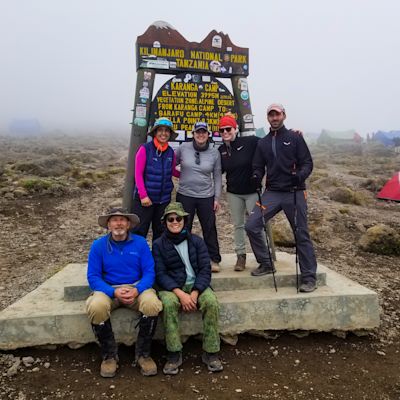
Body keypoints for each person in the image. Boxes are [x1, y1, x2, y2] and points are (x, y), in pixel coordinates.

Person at [245, 104, 318, 292]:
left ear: (283, 115)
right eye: (271, 115)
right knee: (252, 224)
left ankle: (309, 277)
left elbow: (307, 163)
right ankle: (266, 263)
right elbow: (258, 165)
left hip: (295, 192)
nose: (274, 118)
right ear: (267, 118)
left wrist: (299, 176)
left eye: (277, 114)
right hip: (272, 193)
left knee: (301, 233)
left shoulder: (295, 138)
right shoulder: (263, 142)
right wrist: (255, 176)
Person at [86, 207, 163, 378]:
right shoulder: (98, 246)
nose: (118, 223)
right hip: (109, 288)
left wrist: (138, 289)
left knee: (152, 304)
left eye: (122, 220)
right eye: (114, 219)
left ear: (128, 224)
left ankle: (143, 354)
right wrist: (113, 292)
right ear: (108, 224)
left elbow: (150, 271)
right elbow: (93, 277)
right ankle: (109, 356)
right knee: (96, 306)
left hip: (136, 287)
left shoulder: (140, 243)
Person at [152, 202, 223, 375]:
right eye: (171, 219)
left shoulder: (197, 242)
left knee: (211, 302)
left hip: (195, 285)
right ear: (165, 222)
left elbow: (205, 269)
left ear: (185, 220)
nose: (175, 222)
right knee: (168, 305)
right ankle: (174, 353)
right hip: (172, 287)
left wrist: (195, 292)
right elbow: (160, 274)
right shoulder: (158, 245)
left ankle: (211, 352)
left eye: (179, 218)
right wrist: (180, 294)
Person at [218, 113, 266, 271]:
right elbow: (217, 170)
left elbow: (269, 143)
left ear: (235, 129)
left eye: (228, 129)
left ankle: (265, 257)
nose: (225, 132)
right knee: (238, 225)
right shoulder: (221, 150)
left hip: (253, 191)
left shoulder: (250, 141)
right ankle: (241, 256)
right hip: (234, 193)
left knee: (257, 224)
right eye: (221, 130)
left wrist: (293, 134)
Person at [175, 121, 222, 272]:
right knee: (183, 227)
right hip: (185, 194)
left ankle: (214, 259)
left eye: (204, 132)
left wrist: (217, 198)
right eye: (198, 132)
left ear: (208, 134)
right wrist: (179, 175)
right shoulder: (182, 148)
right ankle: (184, 259)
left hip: (206, 195)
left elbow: (217, 176)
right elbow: (170, 164)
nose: (201, 135)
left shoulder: (215, 152)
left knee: (209, 227)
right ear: (193, 134)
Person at [132, 117, 178, 241]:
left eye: (167, 131)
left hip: (163, 200)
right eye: (160, 130)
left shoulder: (170, 152)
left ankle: (158, 259)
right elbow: (138, 174)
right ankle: (137, 259)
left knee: (160, 232)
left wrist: (191, 174)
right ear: (155, 132)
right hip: (145, 200)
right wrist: (143, 195)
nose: (164, 133)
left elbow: (173, 171)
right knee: (139, 231)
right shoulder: (145, 149)